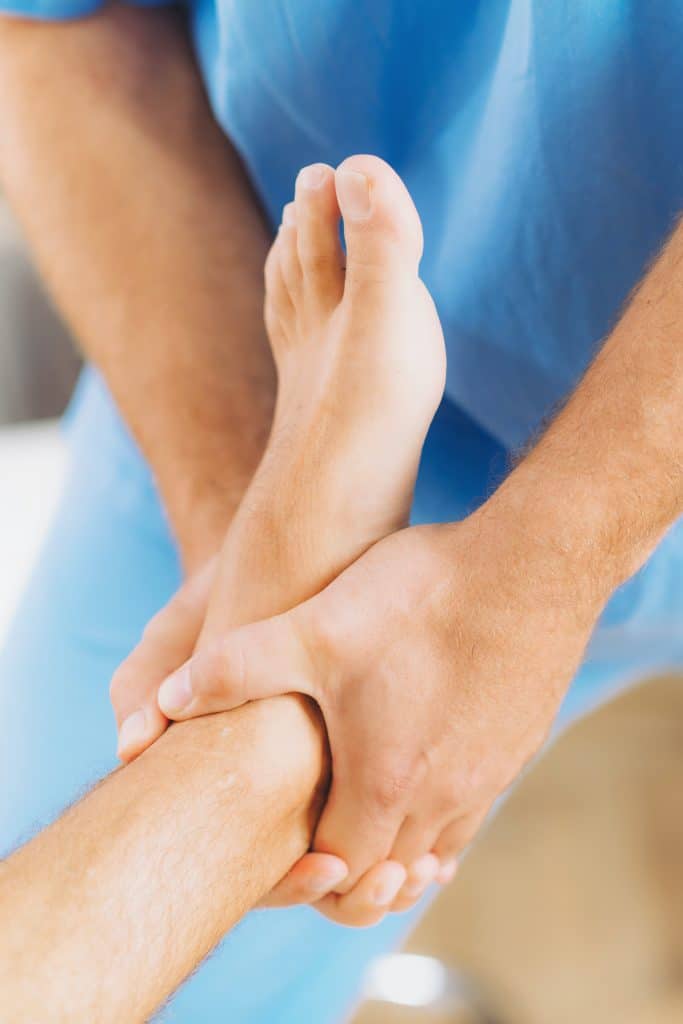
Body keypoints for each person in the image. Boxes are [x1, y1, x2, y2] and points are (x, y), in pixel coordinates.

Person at [1, 2, 682, 1021]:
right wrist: (251, 538)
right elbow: (53, 28)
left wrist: (545, 563)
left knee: (228, 711)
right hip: (247, 359)